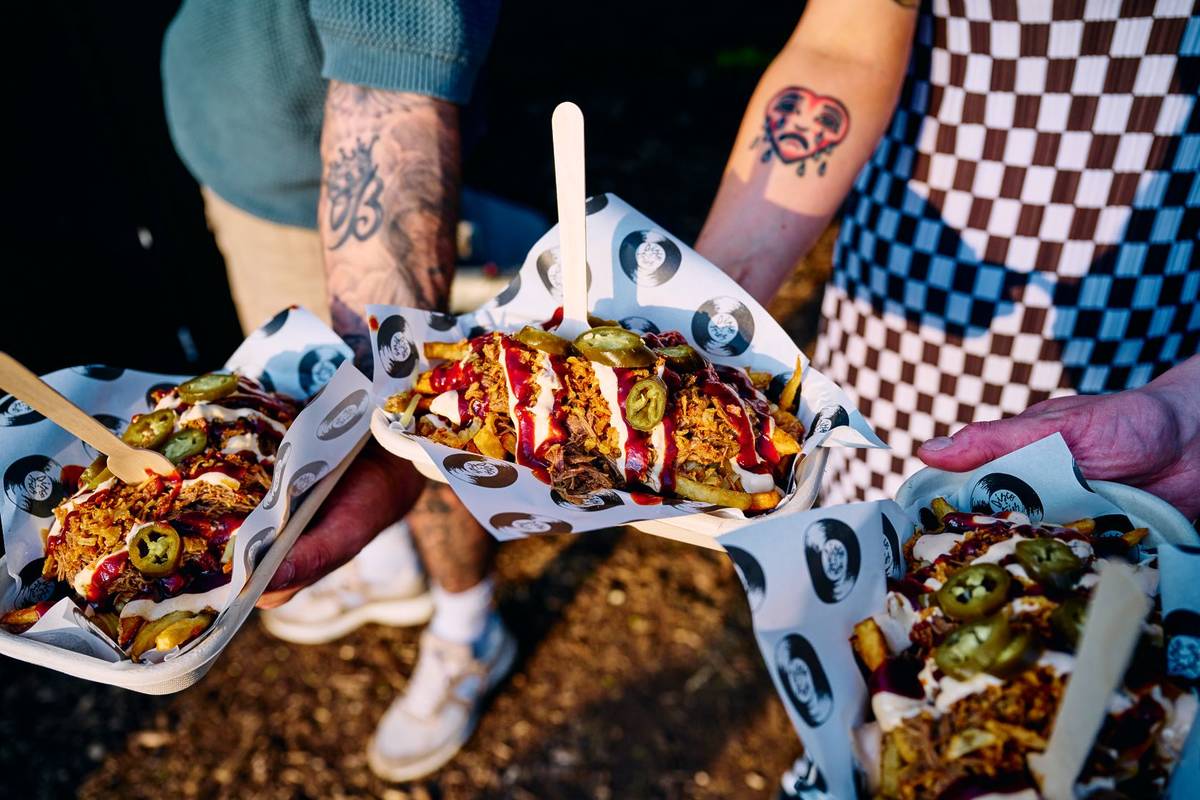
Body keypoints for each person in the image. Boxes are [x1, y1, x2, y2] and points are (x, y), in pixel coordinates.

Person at [696, 1, 1199, 795]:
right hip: (908, 299)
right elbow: (841, 46)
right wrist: (706, 318)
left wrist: (1192, 411)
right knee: (877, 651)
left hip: (1159, 331)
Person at [161, 0, 514, 782]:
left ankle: (468, 630)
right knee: (303, 431)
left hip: (373, 191)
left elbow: (394, 76)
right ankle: (388, 572)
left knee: (418, 437)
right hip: (243, 170)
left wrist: (380, 399)